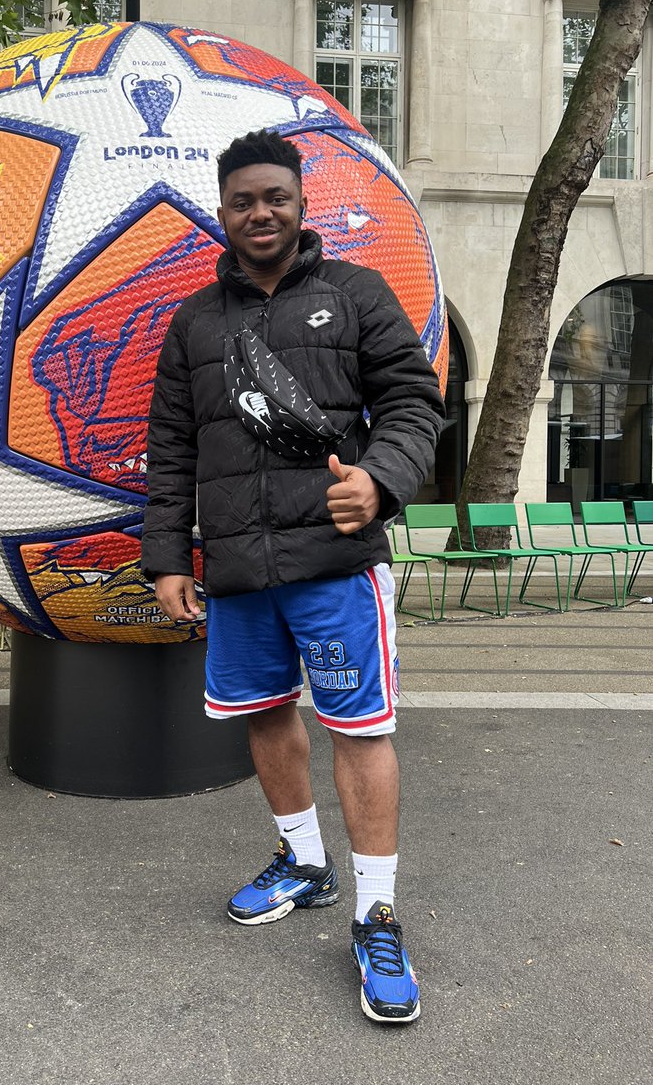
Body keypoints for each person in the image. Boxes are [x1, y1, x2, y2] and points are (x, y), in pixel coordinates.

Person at [141, 129, 444, 1024]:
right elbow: (170, 450)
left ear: (301, 201)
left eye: (274, 196)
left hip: (334, 565)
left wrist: (382, 480)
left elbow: (413, 402)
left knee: (359, 728)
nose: (259, 212)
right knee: (265, 714)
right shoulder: (195, 321)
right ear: (223, 210)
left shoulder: (355, 294)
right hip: (236, 570)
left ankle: (376, 912)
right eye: (242, 200)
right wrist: (167, 557)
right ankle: (303, 863)